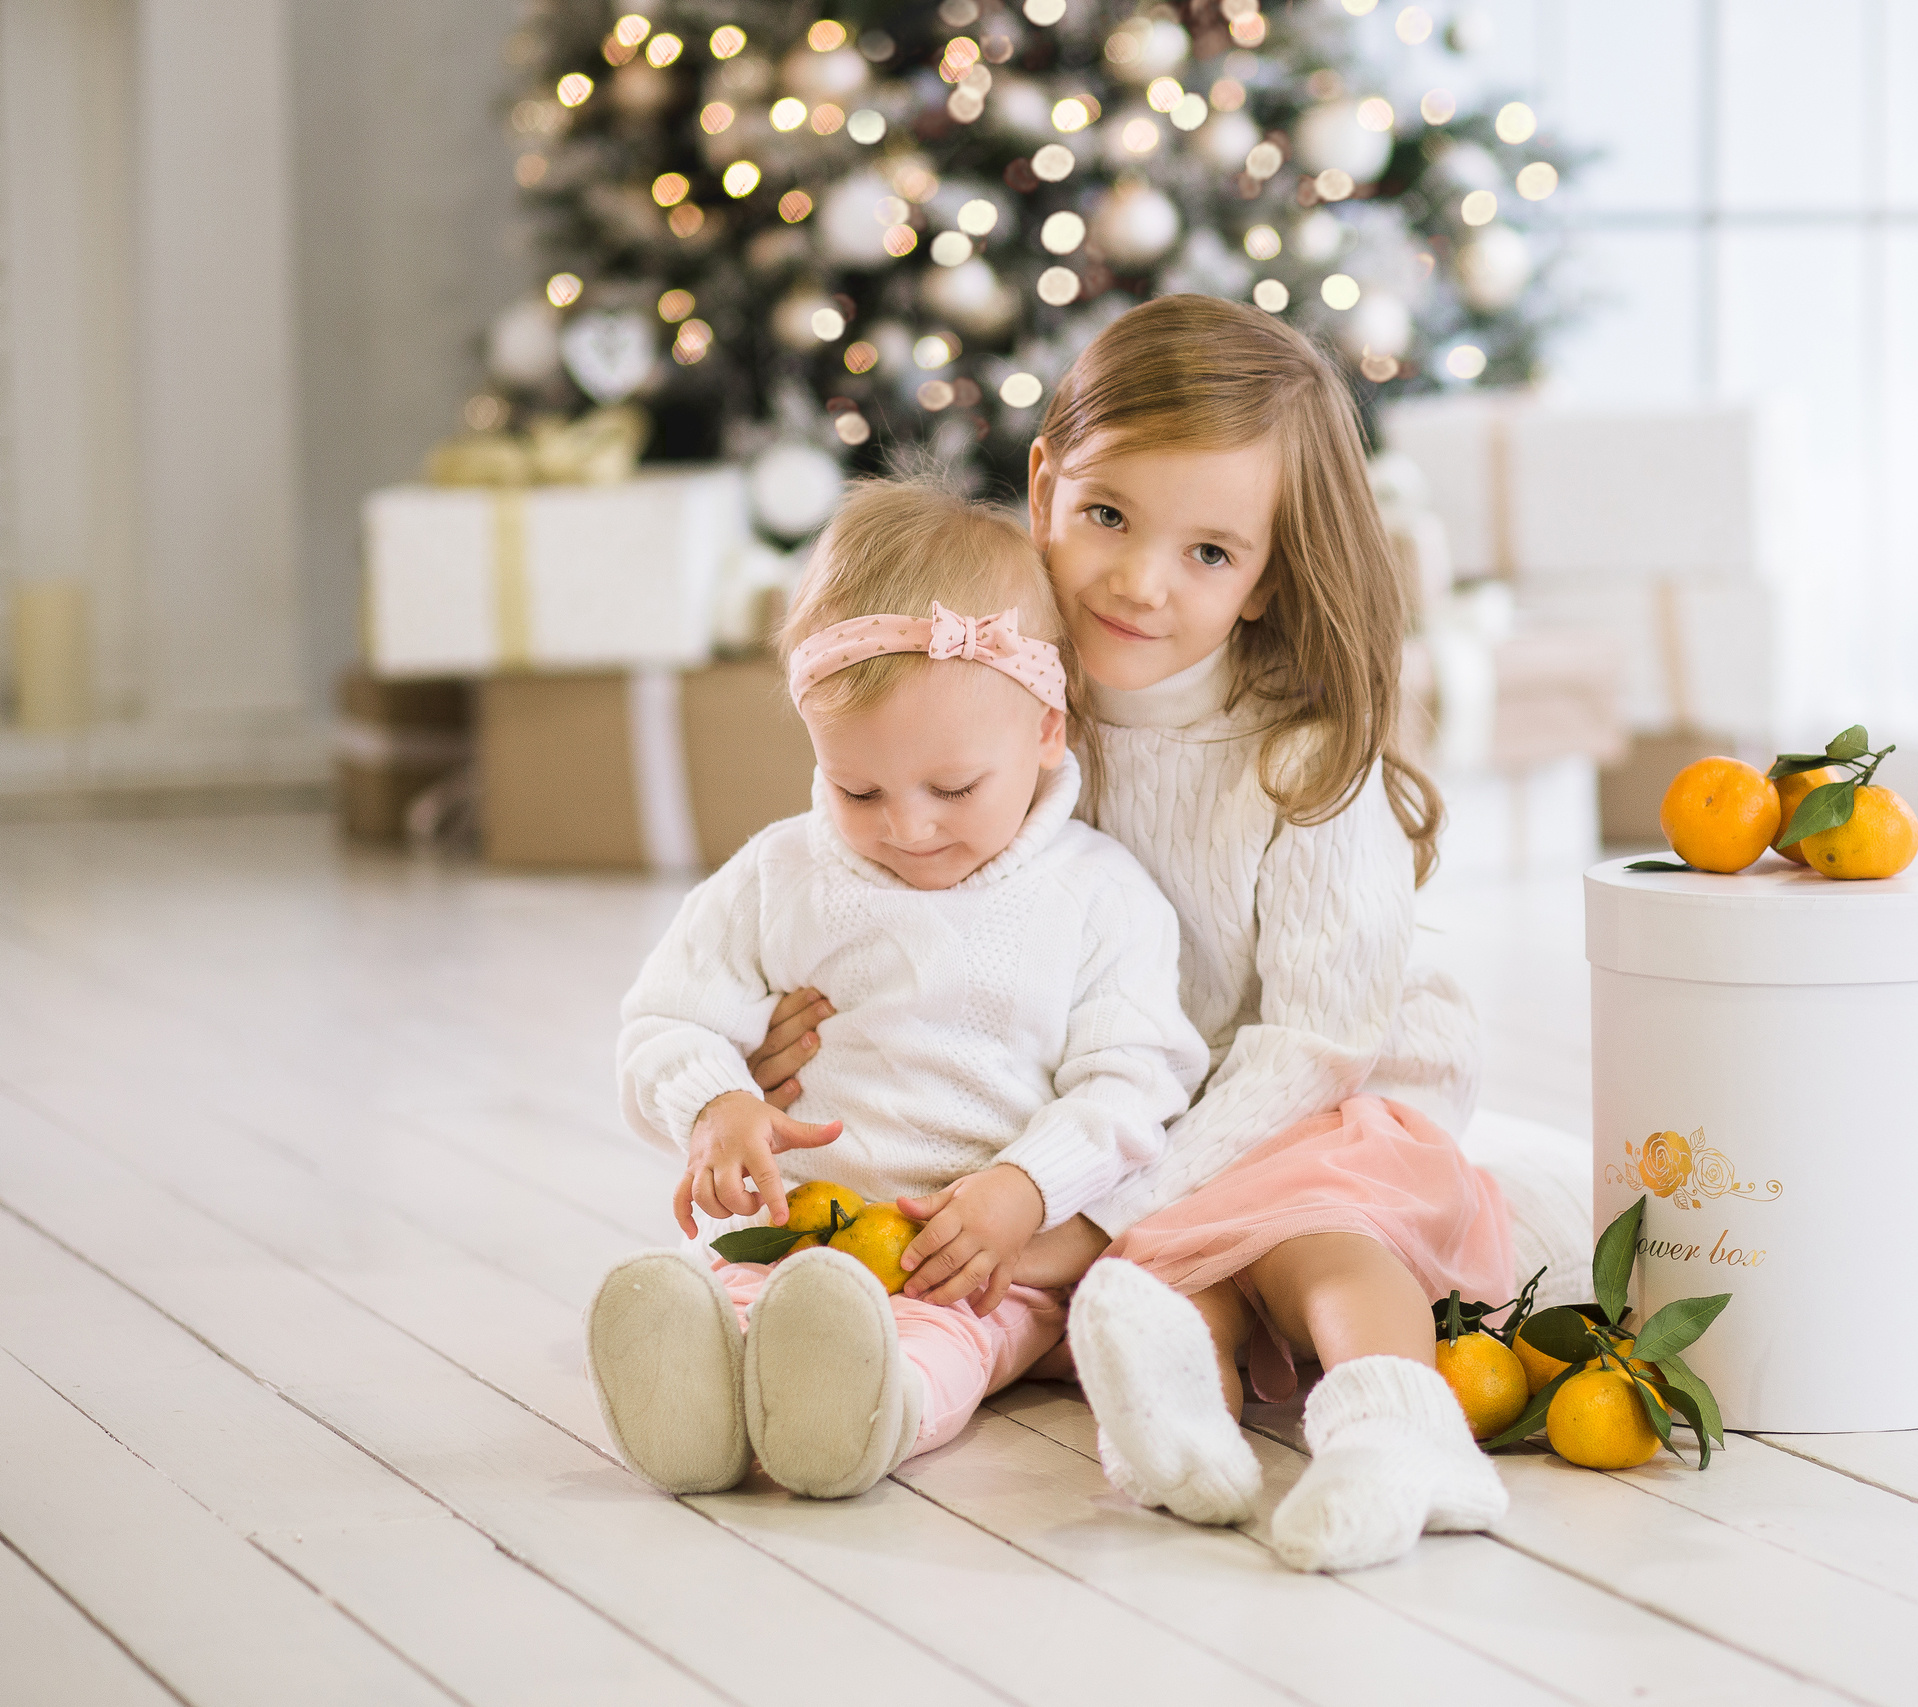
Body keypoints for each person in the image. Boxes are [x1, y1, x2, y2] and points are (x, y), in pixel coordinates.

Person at [751, 297, 1589, 1571]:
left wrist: (1107, 1204)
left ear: (1266, 578)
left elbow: (1312, 1043)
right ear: (1045, 487)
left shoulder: (1300, 762)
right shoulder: (1008, 702)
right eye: (1108, 518)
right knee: (1157, 1286)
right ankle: (1176, 1445)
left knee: (1302, 1229)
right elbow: (908, 883)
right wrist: (805, 1021)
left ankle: (1398, 1432)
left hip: (1304, 1090)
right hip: (1115, 1100)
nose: (1141, 581)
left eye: (1210, 553)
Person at [586, 480, 1207, 1502]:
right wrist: (716, 1104)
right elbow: (667, 1017)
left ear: (1046, 730)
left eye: (953, 790)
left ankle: (861, 1415)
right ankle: (689, 1408)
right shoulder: (783, 874)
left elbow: (1134, 1084)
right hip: (787, 1234)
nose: (907, 828)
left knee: (937, 1351)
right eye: (857, 790)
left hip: (968, 1264)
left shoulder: (1097, 898)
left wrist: (1026, 1189)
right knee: (724, 1299)